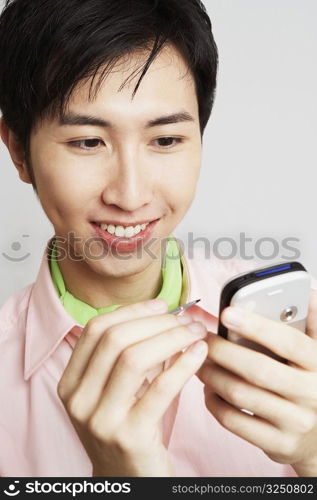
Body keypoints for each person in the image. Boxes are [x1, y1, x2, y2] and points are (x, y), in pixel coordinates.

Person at [0, 0, 317, 478]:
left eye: (165, 140)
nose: (129, 196)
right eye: (88, 142)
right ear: (19, 152)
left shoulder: (298, 334)